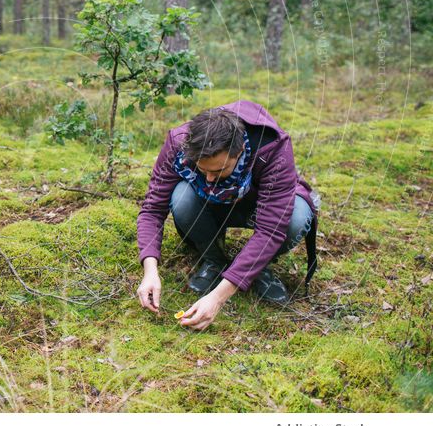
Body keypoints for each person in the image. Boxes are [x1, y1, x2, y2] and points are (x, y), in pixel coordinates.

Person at [136, 100, 319, 331]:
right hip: (210, 205)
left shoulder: (273, 148)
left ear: (240, 150)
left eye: (219, 170)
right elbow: (153, 209)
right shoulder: (179, 143)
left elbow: (270, 229)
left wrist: (217, 298)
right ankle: (215, 260)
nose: (210, 179)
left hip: (259, 206)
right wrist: (150, 270)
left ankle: (257, 267)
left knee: (298, 215)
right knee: (181, 197)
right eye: (203, 170)